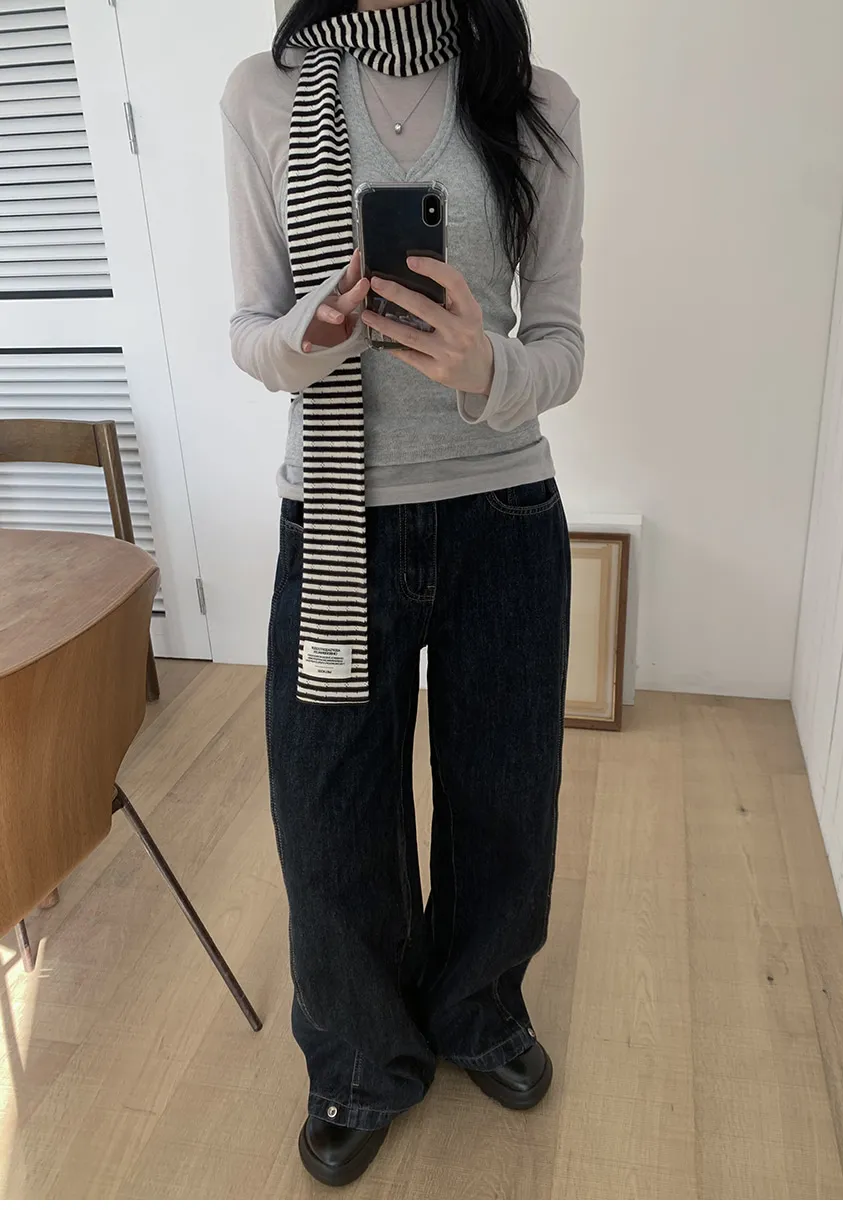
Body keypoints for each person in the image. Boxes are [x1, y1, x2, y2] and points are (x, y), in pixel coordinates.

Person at [221, 0, 584, 1186]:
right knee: (329, 818)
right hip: (336, 521)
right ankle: (360, 1059)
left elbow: (564, 344)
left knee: (503, 797)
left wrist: (488, 366)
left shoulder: (534, 101)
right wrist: (314, 333)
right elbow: (249, 333)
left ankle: (480, 1010)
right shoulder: (265, 95)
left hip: (503, 514)